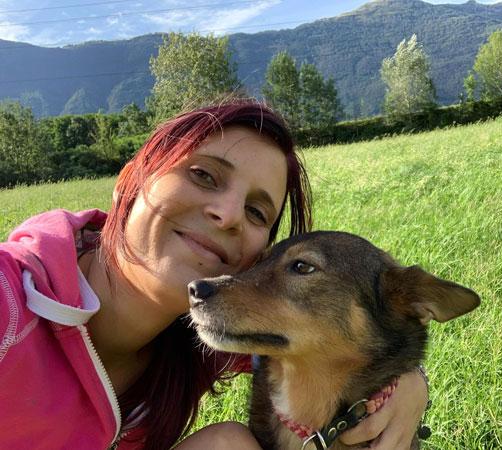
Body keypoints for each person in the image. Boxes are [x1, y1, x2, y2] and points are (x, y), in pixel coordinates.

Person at [0, 100, 428, 449]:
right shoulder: (10, 302)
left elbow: (349, 342)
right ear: (129, 180)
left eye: (256, 212)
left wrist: (409, 384)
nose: (228, 214)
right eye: (203, 175)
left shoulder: (216, 329)